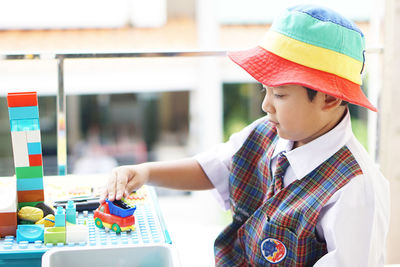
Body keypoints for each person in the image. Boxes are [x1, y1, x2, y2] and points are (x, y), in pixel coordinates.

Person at [100, 4, 390, 266]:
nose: (266, 105)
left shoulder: (355, 189)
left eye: (279, 94)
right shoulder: (267, 133)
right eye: (264, 90)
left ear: (328, 99)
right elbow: (213, 168)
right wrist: (144, 172)